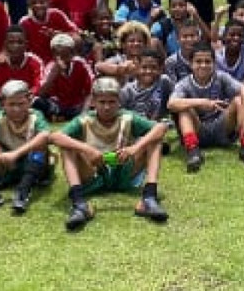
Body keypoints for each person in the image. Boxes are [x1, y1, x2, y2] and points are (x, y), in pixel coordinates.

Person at [50, 76, 169, 229]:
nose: (107, 107)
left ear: (119, 101)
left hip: (124, 171)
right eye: (102, 102)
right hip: (93, 173)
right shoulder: (84, 120)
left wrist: (134, 149)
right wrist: (87, 149)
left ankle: (149, 198)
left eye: (111, 102)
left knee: (155, 141)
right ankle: (79, 204)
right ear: (93, 101)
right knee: (67, 146)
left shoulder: (127, 117)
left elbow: (161, 128)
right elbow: (54, 137)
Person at [168, 42, 244, 172]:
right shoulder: (184, 84)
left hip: (222, 127)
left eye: (207, 61)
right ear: (190, 63)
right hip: (197, 130)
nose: (203, 65)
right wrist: (202, 102)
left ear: (214, 63)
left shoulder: (221, 77)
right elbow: (171, 104)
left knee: (240, 101)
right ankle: (193, 152)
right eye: (198, 61)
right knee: (184, 108)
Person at [0, 79, 53, 215]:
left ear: (29, 101)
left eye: (21, 104)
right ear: (3, 104)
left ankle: (23, 192)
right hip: (6, 164)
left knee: (39, 145)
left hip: (32, 164)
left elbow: (45, 135)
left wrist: (16, 154)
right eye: (11, 104)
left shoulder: (36, 116)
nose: (16, 109)